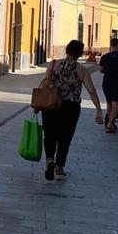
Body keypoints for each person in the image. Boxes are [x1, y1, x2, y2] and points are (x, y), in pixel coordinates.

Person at [42, 39, 104, 181]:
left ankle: (50, 160)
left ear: (67, 50)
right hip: (70, 107)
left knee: (50, 134)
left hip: (51, 103)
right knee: (65, 137)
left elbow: (46, 82)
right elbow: (92, 91)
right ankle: (59, 167)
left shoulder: (54, 64)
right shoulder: (81, 70)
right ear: (80, 54)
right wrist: (98, 110)